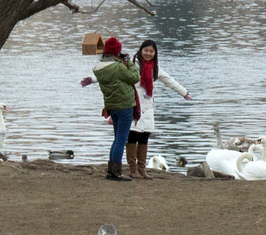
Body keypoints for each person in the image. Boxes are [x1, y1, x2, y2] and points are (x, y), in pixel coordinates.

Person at [126, 39, 190, 180]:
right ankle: (132, 169)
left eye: (151, 51)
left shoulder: (155, 67)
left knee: (144, 137)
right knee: (132, 136)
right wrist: (92, 79)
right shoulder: (132, 64)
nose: (148, 54)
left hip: (148, 106)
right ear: (141, 50)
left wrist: (184, 92)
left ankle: (142, 169)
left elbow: (169, 80)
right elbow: (113, 74)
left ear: (155, 53)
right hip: (133, 104)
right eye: (146, 50)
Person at [81, 37, 140, 180]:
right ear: (116, 52)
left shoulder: (99, 68)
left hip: (111, 106)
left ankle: (111, 170)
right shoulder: (118, 67)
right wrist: (129, 63)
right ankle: (116, 172)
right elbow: (135, 77)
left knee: (116, 139)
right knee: (121, 140)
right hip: (125, 106)